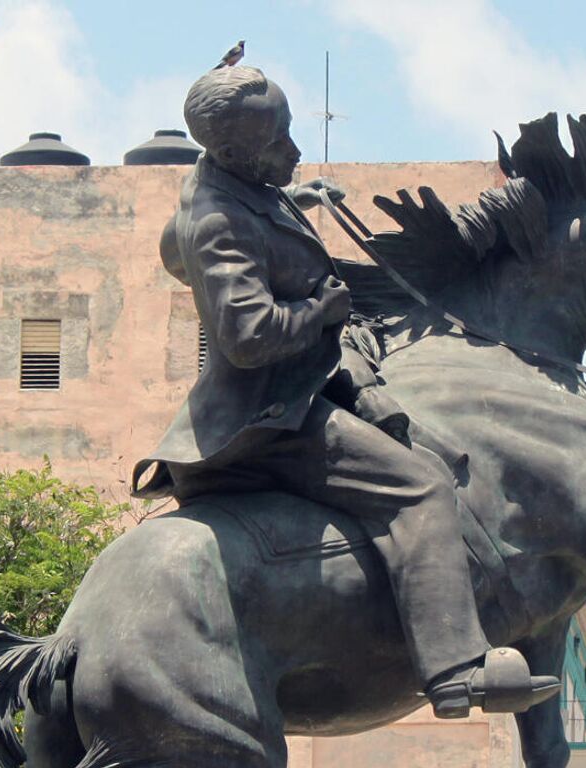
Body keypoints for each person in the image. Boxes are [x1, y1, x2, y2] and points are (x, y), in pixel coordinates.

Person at [132, 64, 560, 718]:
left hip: (304, 385)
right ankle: (453, 675)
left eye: (288, 132)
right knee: (420, 488)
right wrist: (321, 310)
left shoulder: (225, 185)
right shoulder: (218, 218)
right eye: (277, 144)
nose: (295, 152)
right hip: (267, 418)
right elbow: (247, 335)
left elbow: (177, 246)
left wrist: (293, 203)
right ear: (232, 153)